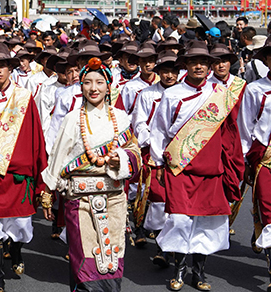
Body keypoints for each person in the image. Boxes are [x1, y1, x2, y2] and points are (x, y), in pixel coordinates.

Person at [150, 40, 244, 291]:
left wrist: (232, 167)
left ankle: (199, 273)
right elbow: (159, 131)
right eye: (193, 62)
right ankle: (179, 268)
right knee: (179, 220)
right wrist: (158, 163)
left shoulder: (221, 94)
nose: (199, 67)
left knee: (206, 222)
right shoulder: (172, 94)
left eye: (204, 62)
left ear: (210, 66)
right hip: (179, 169)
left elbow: (231, 135)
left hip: (210, 171)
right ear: (186, 66)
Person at [44, 57, 140, 292]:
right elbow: (58, 157)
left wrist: (122, 158)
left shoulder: (120, 118)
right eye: (87, 82)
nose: (93, 88)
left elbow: (134, 151)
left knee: (111, 259)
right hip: (80, 202)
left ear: (109, 86)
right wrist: (48, 192)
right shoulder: (72, 119)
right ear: (81, 86)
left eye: (99, 82)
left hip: (114, 200)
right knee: (86, 260)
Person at [0, 44, 48, 292]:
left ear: (10, 68)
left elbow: (36, 137)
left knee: (21, 224)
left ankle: (15, 249)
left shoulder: (24, 97)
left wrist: (39, 173)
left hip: (18, 173)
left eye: (1, 66)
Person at [131, 50, 180, 268]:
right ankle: (161, 244)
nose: (170, 76)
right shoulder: (147, 94)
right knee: (158, 199)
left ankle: (170, 248)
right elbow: (139, 122)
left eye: (174, 71)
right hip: (154, 152)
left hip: (180, 155)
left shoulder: (185, 93)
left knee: (177, 201)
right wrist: (152, 140)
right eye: (165, 71)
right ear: (158, 72)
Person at [238, 37, 271, 285]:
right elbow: (245, 129)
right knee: (268, 210)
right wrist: (246, 163)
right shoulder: (255, 90)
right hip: (265, 160)